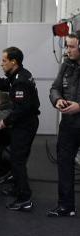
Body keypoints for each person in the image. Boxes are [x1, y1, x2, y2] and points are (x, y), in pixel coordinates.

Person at [0, 46, 40, 212]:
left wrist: (6, 122)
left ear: (14, 62)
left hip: (25, 124)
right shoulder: (18, 75)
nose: (1, 64)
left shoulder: (21, 80)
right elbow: (6, 85)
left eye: (4, 61)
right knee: (17, 158)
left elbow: (21, 109)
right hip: (24, 122)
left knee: (18, 161)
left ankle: (24, 199)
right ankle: (17, 188)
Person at [47, 31, 80, 217]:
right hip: (68, 126)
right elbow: (54, 88)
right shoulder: (66, 65)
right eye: (66, 46)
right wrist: (57, 100)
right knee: (65, 164)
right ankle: (66, 206)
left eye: (71, 46)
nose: (67, 50)